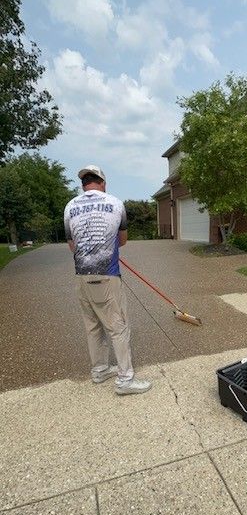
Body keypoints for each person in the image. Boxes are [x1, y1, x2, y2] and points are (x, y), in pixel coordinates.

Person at [64, 165, 151, 395]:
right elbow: (122, 240)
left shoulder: (70, 207)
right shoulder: (115, 203)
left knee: (93, 326)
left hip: (81, 277)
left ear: (83, 184)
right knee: (118, 328)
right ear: (102, 182)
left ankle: (100, 370)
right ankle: (125, 380)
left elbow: (72, 246)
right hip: (107, 277)